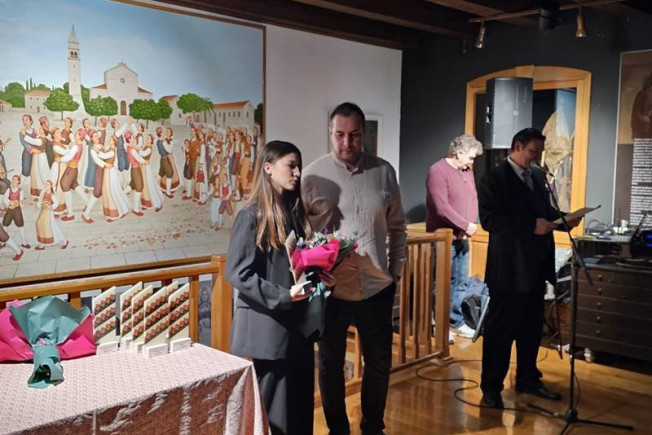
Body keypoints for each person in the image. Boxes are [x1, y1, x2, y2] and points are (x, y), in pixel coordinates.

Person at [302, 102, 407, 435]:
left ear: (365, 134)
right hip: (331, 290)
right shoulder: (312, 176)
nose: (347, 142)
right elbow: (301, 235)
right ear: (330, 133)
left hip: (377, 286)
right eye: (340, 135)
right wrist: (313, 272)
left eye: (355, 135)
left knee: (379, 364)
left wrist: (395, 271)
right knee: (330, 365)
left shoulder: (384, 171)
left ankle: (373, 427)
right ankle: (338, 430)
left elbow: (398, 227)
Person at [226, 140, 335, 435]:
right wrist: (284, 296)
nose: (298, 173)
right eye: (291, 166)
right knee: (274, 418)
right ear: (268, 168)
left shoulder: (295, 215)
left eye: (299, 166)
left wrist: (320, 279)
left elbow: (296, 268)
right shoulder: (250, 216)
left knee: (300, 413)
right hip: (268, 332)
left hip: (298, 329)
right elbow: (237, 273)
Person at [478, 128, 582, 409]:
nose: (536, 158)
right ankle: (491, 388)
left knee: (531, 329)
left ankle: (528, 378)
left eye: (539, 152)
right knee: (500, 331)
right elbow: (490, 221)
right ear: (517, 146)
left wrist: (564, 219)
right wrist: (530, 226)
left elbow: (544, 212)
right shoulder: (494, 179)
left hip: (535, 267)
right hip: (508, 269)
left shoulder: (535, 176)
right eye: (533, 152)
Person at [426, 134, 483, 342]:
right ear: (459, 153)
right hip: (444, 237)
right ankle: (440, 325)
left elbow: (472, 197)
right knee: (443, 282)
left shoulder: (467, 171)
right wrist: (465, 224)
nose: (472, 161)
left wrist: (470, 225)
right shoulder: (438, 171)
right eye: (470, 157)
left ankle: (455, 322)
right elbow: (441, 208)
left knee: (461, 281)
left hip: (463, 236)